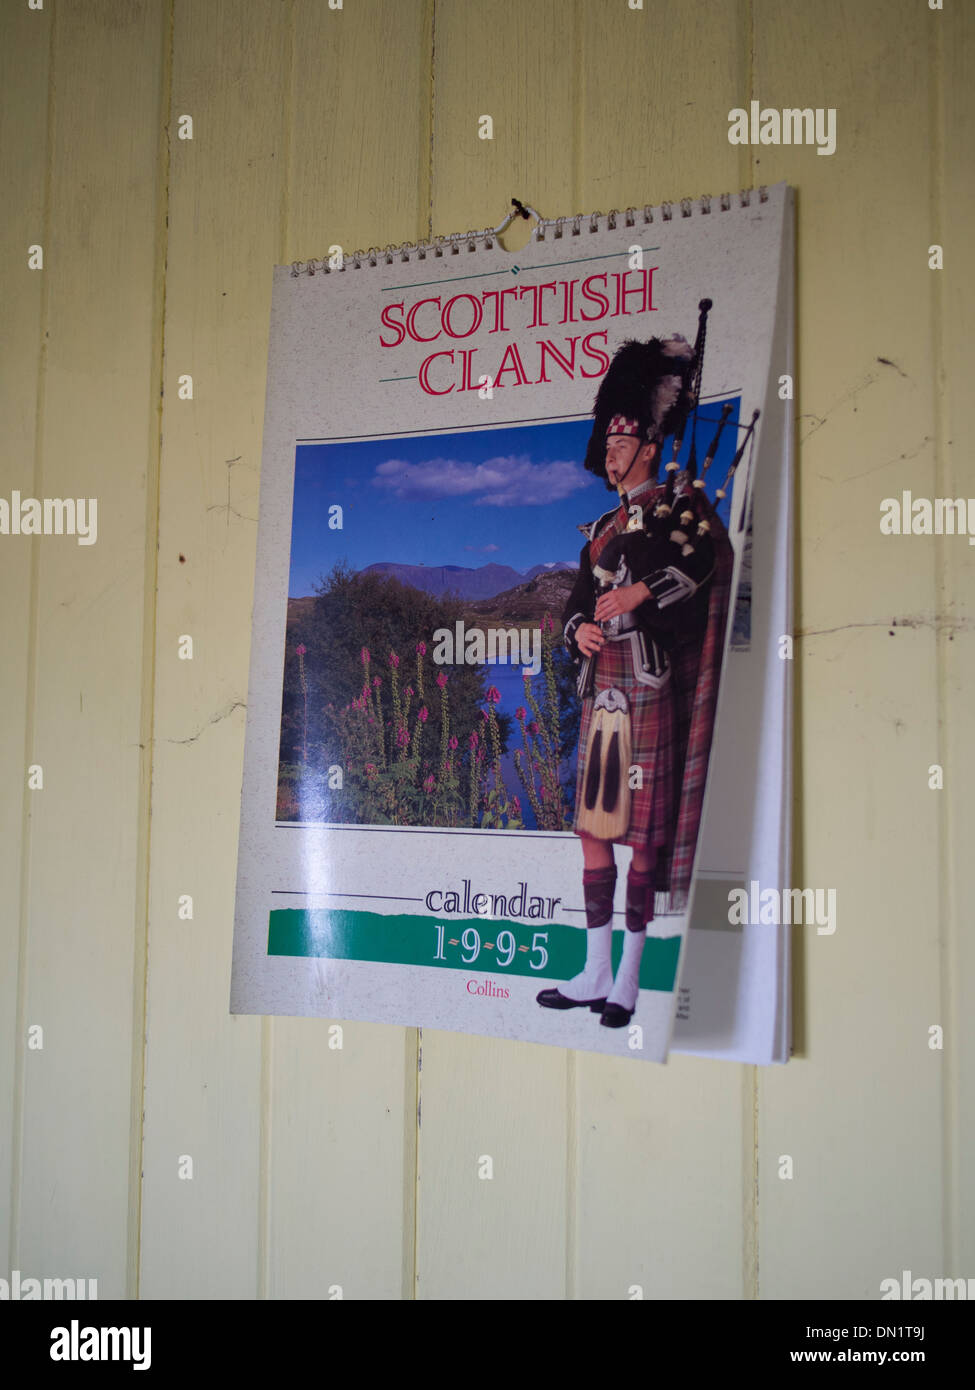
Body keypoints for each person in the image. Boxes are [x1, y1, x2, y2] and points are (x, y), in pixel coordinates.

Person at [536, 329, 734, 1028]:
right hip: (604, 695)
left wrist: (640, 593)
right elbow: (572, 607)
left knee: (642, 840)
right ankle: (591, 969)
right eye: (606, 447)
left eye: (620, 446)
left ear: (649, 444)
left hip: (649, 689)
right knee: (594, 832)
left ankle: (627, 976)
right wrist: (579, 629)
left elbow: (703, 570)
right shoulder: (597, 528)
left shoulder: (681, 509)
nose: (609, 457)